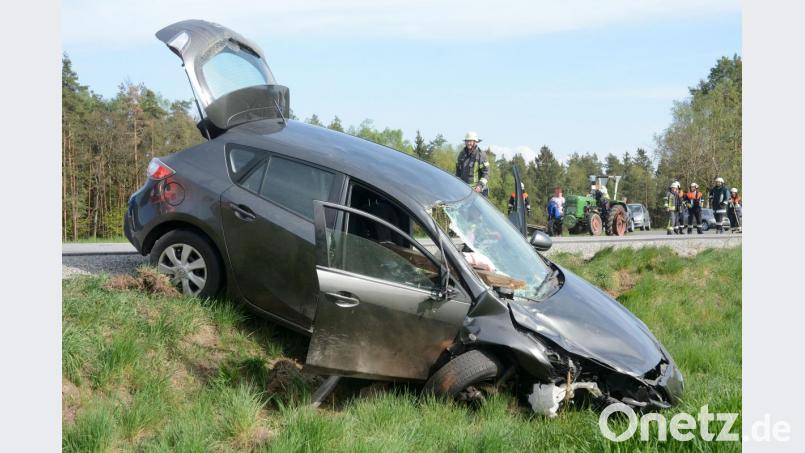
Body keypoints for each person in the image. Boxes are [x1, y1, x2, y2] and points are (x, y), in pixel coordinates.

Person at [455, 131, 490, 197]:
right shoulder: (461, 155)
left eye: (470, 141)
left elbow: (486, 173)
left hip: (479, 192)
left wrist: (480, 186)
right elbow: (458, 172)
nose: (468, 143)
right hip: (465, 191)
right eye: (467, 141)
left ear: (475, 142)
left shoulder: (481, 155)